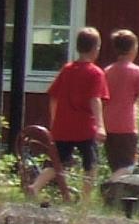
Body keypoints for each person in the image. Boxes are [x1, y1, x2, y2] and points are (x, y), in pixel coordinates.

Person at [37, 27, 109, 200]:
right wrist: (100, 126)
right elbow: (95, 99)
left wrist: (54, 121)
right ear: (95, 49)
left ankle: (35, 186)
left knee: (57, 163)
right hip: (85, 127)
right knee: (90, 164)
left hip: (63, 126)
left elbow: (53, 97)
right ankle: (85, 200)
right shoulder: (95, 73)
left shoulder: (67, 69)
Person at [99, 30, 139, 177]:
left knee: (115, 165)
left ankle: (116, 197)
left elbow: (102, 99)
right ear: (133, 49)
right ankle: (110, 186)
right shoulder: (137, 72)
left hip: (108, 124)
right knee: (128, 165)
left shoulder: (107, 71)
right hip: (126, 126)